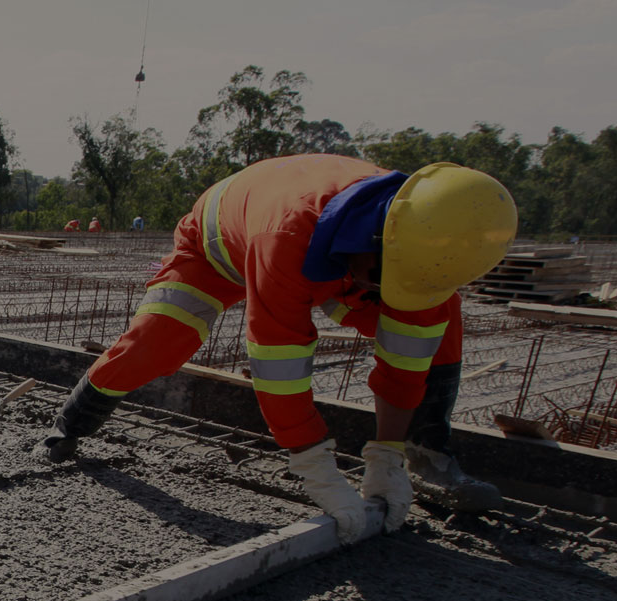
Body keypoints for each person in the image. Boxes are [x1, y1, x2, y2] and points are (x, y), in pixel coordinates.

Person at [39, 155, 516, 540]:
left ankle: (426, 456)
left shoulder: (425, 247)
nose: (390, 293)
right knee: (159, 343)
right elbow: (279, 365)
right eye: (381, 279)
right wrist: (315, 466)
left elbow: (407, 360)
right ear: (375, 240)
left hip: (330, 252)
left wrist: (385, 453)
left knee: (440, 322)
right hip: (218, 249)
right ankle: (71, 423)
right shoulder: (287, 237)